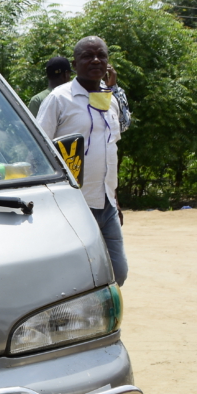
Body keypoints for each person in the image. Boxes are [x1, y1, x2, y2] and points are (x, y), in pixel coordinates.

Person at [37, 36, 129, 286]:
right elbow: (38, 148)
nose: (96, 60)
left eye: (101, 55)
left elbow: (110, 149)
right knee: (73, 276)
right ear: (75, 64)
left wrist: (115, 198)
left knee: (117, 272)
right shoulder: (59, 98)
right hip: (73, 205)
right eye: (88, 56)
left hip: (106, 203)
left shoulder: (109, 100)